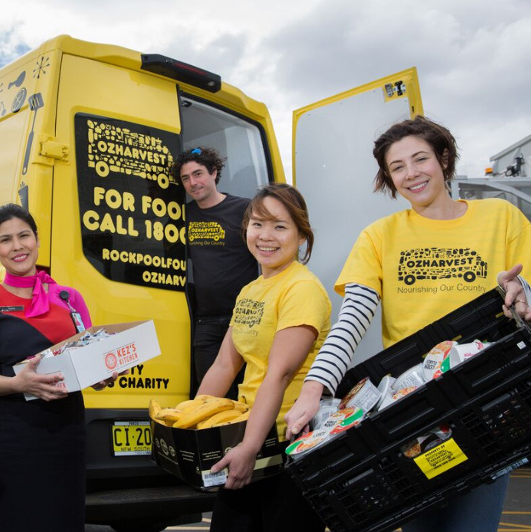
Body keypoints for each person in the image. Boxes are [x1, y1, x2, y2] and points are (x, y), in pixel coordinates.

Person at [284, 116, 531, 532]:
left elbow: (526, 284)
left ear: (444, 159)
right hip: (413, 411)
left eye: (421, 159)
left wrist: (523, 292)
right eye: (397, 167)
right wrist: (315, 388)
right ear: (388, 177)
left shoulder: (501, 218)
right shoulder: (380, 236)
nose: (411, 173)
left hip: (486, 398)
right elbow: (354, 317)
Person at [0, 203, 118, 532]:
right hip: (15, 431)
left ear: (37, 239)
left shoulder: (69, 298)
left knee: (63, 518)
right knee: (16, 519)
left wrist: (102, 374)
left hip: (66, 429)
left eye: (24, 236)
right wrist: (20, 384)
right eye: (5, 240)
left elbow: (86, 361)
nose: (17, 246)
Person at [195, 183, 330, 532]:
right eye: (257, 224)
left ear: (301, 236)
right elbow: (225, 366)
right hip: (248, 437)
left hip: (289, 446)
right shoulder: (250, 291)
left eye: (279, 226)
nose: (265, 236)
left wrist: (250, 448)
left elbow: (279, 374)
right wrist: (193, 427)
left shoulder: (302, 289)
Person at [173, 147, 259, 398]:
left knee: (249, 395)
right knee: (211, 399)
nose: (193, 183)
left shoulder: (244, 209)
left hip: (245, 318)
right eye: (186, 178)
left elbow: (268, 251)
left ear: (214, 172)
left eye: (198, 174)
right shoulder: (184, 215)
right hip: (206, 321)